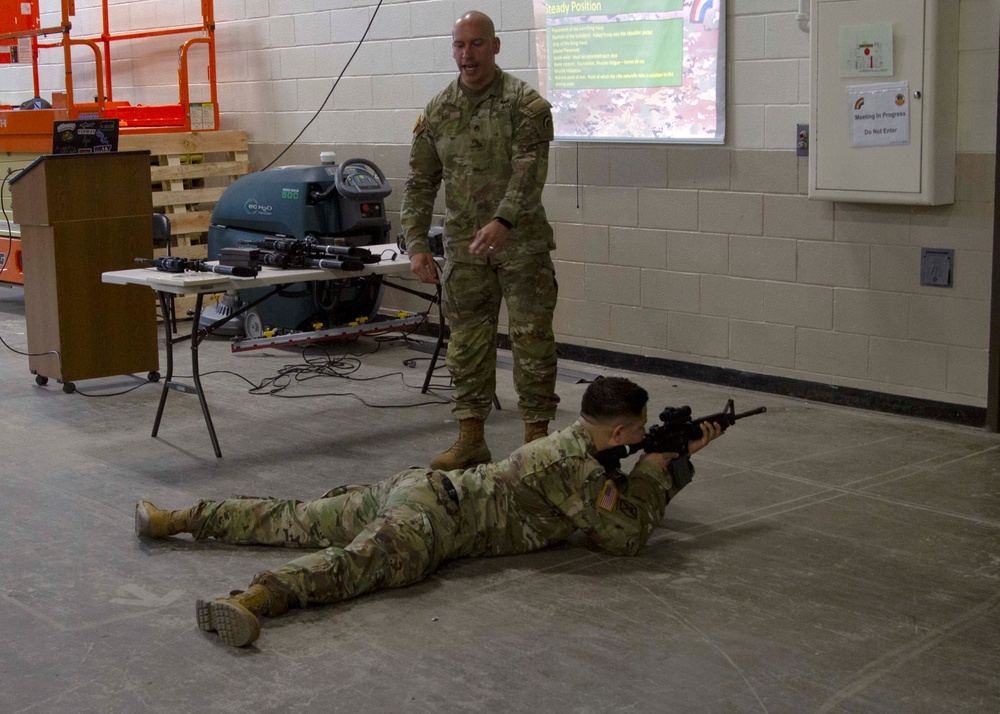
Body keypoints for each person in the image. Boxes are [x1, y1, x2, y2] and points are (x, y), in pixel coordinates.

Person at [136, 377, 723, 648]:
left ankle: (177, 518)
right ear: (619, 431)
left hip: (421, 486)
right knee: (353, 565)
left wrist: (652, 459)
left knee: (295, 516)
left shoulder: (573, 447)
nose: (644, 438)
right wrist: (660, 473)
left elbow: (606, 491)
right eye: (641, 431)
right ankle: (251, 601)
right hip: (435, 524)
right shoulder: (576, 470)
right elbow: (623, 538)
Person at [399, 10, 559, 470]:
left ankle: (536, 438)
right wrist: (416, 244)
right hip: (465, 254)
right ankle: (471, 437)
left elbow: (530, 172)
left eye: (476, 44)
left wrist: (503, 221)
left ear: (495, 46)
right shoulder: (437, 111)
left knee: (531, 341)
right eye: (459, 46)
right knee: (466, 345)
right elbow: (420, 182)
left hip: (521, 248)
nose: (467, 55)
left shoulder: (524, 105)